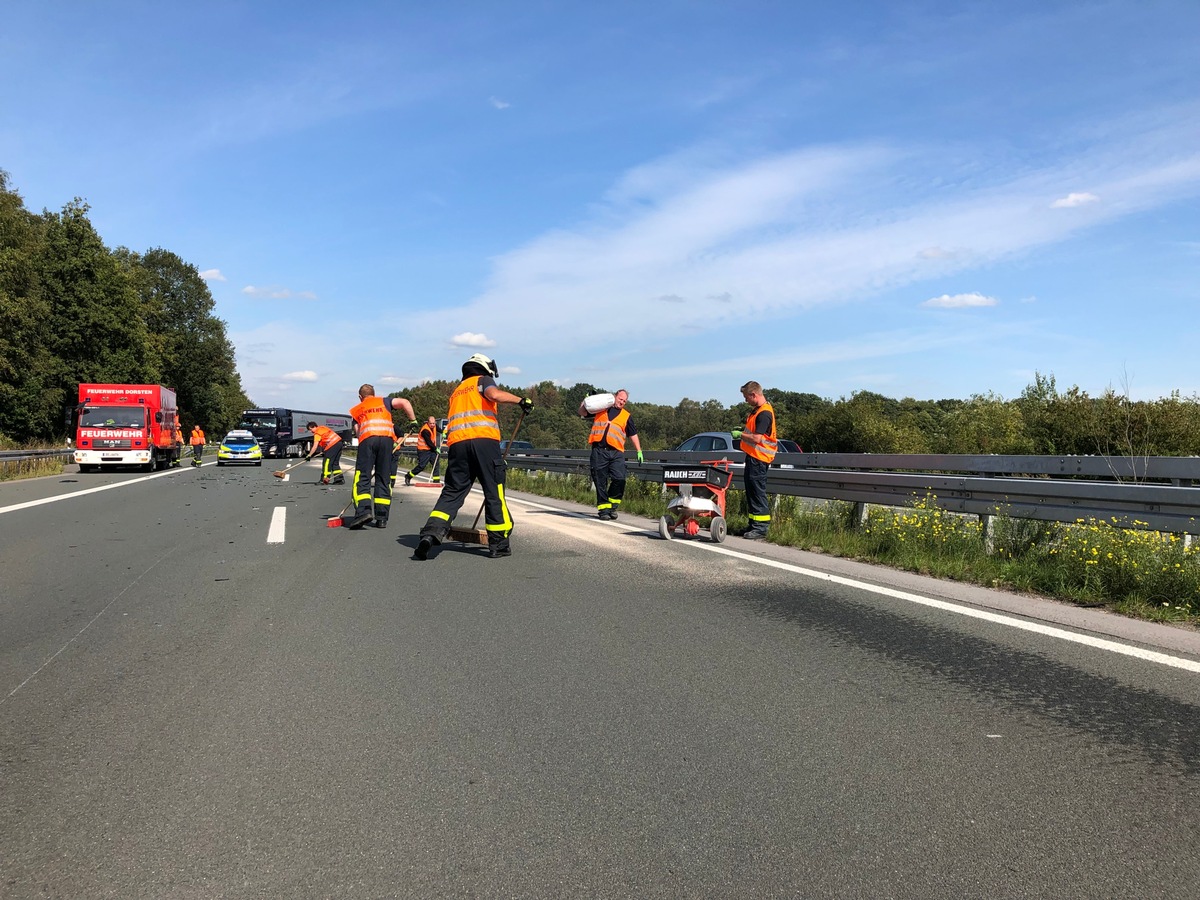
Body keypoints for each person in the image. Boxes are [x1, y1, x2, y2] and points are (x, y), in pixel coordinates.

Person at [414, 354, 533, 560]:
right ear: (485, 368)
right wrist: (521, 400)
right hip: (484, 443)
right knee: (493, 491)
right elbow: (494, 395)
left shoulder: (457, 391)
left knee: (452, 492)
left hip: (458, 446)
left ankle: (431, 533)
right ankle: (499, 544)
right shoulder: (482, 380)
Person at [346, 385, 416, 530]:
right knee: (383, 477)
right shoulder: (385, 401)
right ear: (374, 394)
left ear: (360, 397)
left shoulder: (356, 409)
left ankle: (363, 512)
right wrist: (413, 421)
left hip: (367, 441)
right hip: (386, 441)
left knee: (363, 477)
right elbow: (405, 402)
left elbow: (358, 432)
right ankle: (382, 518)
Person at [579, 389, 643, 520]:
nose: (622, 402)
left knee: (620, 479)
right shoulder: (601, 408)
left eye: (624, 401)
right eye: (620, 399)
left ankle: (613, 506)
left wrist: (639, 450)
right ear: (615, 397)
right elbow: (582, 412)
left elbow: (633, 434)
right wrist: (585, 402)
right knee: (600, 480)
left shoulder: (626, 416)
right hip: (599, 451)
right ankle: (604, 510)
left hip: (616, 452)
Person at [733, 381, 777, 540]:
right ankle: (753, 525)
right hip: (753, 458)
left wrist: (740, 435)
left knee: (757, 492)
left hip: (759, 459)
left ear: (754, 395)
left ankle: (761, 528)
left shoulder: (764, 413)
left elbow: (757, 438)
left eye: (746, 397)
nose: (745, 401)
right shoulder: (757, 411)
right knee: (752, 492)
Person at [404, 416, 442, 485]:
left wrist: (443, 432)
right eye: (431, 423)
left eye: (434, 423)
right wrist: (436, 448)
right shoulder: (425, 430)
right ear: (428, 423)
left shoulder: (434, 426)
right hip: (423, 450)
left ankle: (436, 481)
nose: (433, 425)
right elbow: (429, 442)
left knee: (436, 463)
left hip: (431, 449)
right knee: (422, 466)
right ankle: (408, 476)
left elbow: (438, 429)